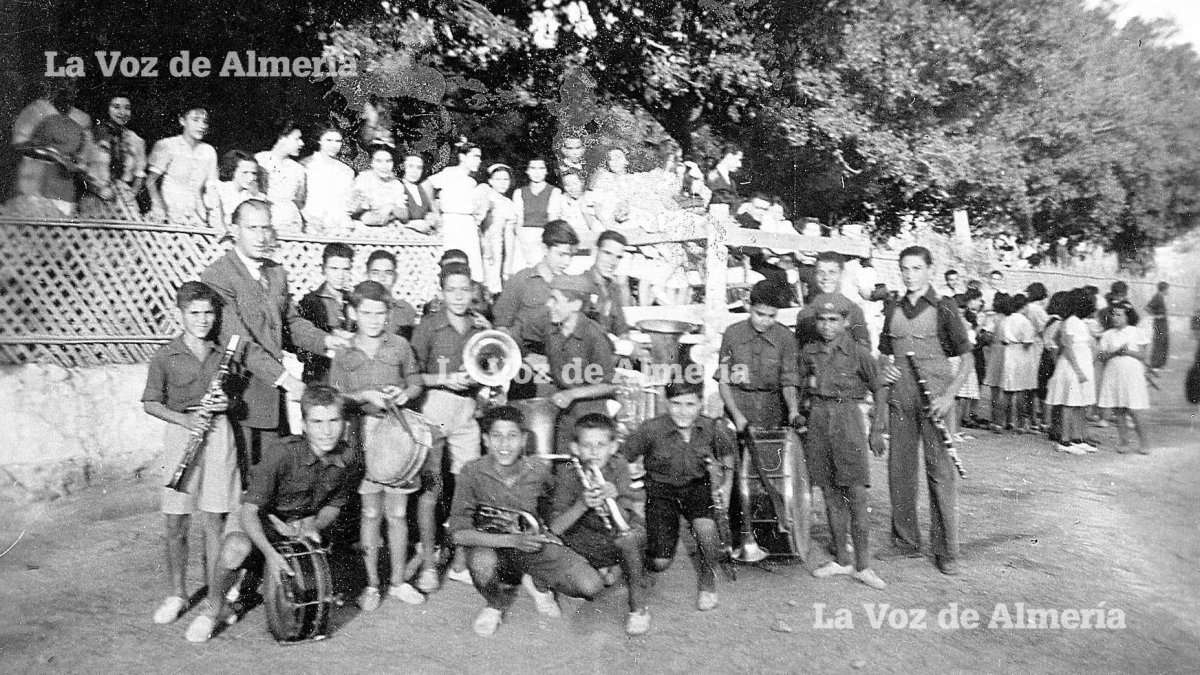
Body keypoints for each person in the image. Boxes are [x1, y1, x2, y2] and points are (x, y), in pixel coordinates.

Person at [182, 385, 364, 643]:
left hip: (297, 524)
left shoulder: (348, 457)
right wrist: (270, 553)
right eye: (317, 422)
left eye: (334, 421)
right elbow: (249, 511)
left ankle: (249, 594)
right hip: (261, 518)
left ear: (344, 423)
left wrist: (315, 524)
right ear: (304, 424)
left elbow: (334, 505)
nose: (326, 430)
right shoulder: (282, 453)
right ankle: (213, 609)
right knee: (236, 548)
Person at [201, 200, 349, 464]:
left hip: (273, 399)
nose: (261, 236)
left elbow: (291, 324)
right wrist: (287, 380)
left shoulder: (276, 272)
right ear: (235, 230)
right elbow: (238, 342)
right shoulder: (218, 275)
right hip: (240, 397)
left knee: (273, 483)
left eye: (266, 228)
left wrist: (327, 341)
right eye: (252, 228)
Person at [450, 405, 605, 636]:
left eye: (512, 436)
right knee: (482, 562)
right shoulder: (471, 472)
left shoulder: (540, 471)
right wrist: (512, 541)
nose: (504, 445)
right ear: (486, 440)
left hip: (531, 545)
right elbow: (458, 533)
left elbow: (553, 523)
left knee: (591, 585)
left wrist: (583, 503)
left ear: (523, 440)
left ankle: (538, 584)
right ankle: (495, 604)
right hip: (492, 547)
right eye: (497, 436)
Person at [141, 282, 240, 627]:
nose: (202, 320)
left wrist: (227, 404)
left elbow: (237, 399)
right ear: (179, 315)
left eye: (208, 313)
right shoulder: (165, 355)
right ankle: (178, 594)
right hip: (181, 433)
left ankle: (214, 599)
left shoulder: (223, 353)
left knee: (215, 520)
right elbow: (151, 403)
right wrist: (185, 418)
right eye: (194, 313)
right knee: (176, 520)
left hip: (218, 432)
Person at [329, 281, 430, 608]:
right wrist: (362, 396)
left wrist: (407, 393)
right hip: (363, 436)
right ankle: (372, 584)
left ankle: (398, 581)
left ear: (389, 313)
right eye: (366, 313)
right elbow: (333, 398)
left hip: (398, 435)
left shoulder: (399, 345)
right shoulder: (344, 352)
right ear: (353, 312)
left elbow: (415, 380)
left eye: (380, 313)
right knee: (371, 513)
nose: (373, 319)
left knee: (398, 514)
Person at [878, 246, 973, 575]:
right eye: (905, 268)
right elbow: (883, 354)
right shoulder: (893, 307)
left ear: (930, 270)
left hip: (936, 399)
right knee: (900, 471)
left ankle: (946, 550)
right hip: (902, 398)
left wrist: (949, 397)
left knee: (941, 474)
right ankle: (905, 541)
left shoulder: (945, 307)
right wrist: (885, 371)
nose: (909, 274)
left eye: (917, 268)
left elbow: (968, 360)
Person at [798, 293, 888, 589]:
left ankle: (863, 566)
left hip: (848, 419)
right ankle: (842, 559)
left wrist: (876, 430)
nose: (826, 326)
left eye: (833, 320)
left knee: (856, 497)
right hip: (819, 420)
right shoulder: (809, 352)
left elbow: (880, 389)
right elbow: (799, 388)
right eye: (821, 320)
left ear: (846, 322)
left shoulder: (860, 353)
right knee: (831, 495)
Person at [622, 380, 736, 611]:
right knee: (660, 562)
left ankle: (707, 583)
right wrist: (626, 494)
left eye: (690, 404)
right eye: (676, 404)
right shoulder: (651, 429)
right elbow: (621, 458)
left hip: (696, 488)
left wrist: (726, 484)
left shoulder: (711, 427)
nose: (683, 411)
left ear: (700, 404)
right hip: (661, 493)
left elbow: (727, 456)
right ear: (666, 403)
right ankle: (644, 562)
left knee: (706, 529)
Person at [411, 262, 490, 585]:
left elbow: (493, 368)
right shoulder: (429, 326)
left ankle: (459, 561)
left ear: (473, 292)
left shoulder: (480, 327)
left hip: (467, 410)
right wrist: (445, 378)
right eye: (452, 290)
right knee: (432, 489)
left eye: (465, 289)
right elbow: (412, 375)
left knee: (466, 490)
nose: (459, 296)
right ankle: (429, 564)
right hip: (434, 407)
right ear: (441, 293)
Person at [549, 413, 650, 635]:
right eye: (586, 445)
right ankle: (606, 569)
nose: (594, 452)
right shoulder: (568, 472)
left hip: (615, 535)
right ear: (575, 448)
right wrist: (581, 505)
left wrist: (614, 497)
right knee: (588, 587)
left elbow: (625, 520)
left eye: (601, 445)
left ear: (613, 447)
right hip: (584, 541)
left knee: (631, 538)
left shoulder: (619, 465)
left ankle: (638, 607)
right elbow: (555, 529)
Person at [545, 274, 618, 449]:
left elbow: (609, 384)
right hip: (565, 416)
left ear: (576, 305)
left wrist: (571, 394)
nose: (548, 304)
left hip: (593, 419)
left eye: (555, 299)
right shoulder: (551, 330)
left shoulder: (595, 336)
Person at [718, 280, 801, 432]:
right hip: (737, 410)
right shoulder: (732, 334)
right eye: (760, 314)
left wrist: (793, 411)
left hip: (772, 413)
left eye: (771, 316)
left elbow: (789, 381)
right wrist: (737, 416)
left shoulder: (786, 338)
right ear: (748, 306)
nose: (765, 321)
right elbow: (724, 382)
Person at [494, 219, 580, 355]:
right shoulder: (521, 280)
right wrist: (524, 357)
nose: (566, 262)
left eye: (570, 256)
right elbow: (501, 327)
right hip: (523, 356)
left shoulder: (572, 287)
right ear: (545, 249)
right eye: (561, 255)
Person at [1046, 289, 1099, 454]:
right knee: (1069, 403)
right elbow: (1067, 347)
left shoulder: (1079, 322)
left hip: (1082, 365)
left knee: (1079, 403)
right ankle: (1065, 440)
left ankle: (1077, 438)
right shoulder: (1071, 321)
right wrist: (1078, 370)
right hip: (1073, 368)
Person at [424, 139, 484, 283]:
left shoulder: (472, 182)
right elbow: (426, 185)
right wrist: (436, 212)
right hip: (452, 223)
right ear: (462, 157)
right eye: (475, 156)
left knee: (472, 264)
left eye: (480, 157)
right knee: (453, 261)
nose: (479, 161)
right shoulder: (450, 172)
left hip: (468, 225)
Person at [147, 106, 218, 226]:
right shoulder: (168, 145)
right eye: (195, 120)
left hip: (197, 214)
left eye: (205, 122)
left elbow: (212, 187)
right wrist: (157, 204)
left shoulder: (209, 151)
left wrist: (214, 215)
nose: (202, 126)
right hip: (169, 211)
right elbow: (150, 180)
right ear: (182, 121)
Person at [81, 93, 146, 220]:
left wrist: (131, 194)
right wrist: (97, 190)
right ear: (107, 108)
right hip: (95, 198)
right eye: (116, 107)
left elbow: (140, 174)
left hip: (124, 201)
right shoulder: (90, 135)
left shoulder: (136, 140)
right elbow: (79, 171)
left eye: (127, 107)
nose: (122, 112)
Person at [1097, 301, 1151, 454]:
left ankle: (1144, 443)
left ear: (1128, 316)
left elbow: (1142, 355)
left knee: (1135, 410)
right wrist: (1115, 352)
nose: (1115, 318)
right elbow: (1101, 356)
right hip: (1114, 373)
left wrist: (1126, 352)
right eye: (1113, 314)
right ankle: (1124, 442)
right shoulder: (1107, 335)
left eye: (1119, 315)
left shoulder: (1136, 332)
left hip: (1132, 374)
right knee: (1119, 410)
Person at [298, 243, 356, 384]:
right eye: (334, 268)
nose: (340, 275)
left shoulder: (354, 300)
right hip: (321, 376)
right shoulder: (310, 302)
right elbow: (302, 348)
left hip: (351, 376)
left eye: (346, 269)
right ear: (324, 269)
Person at [795, 252, 871, 350]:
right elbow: (799, 351)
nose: (826, 278)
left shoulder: (853, 310)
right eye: (821, 272)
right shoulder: (806, 313)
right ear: (815, 274)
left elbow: (864, 349)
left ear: (842, 274)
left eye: (832, 272)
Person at [475, 163, 521, 293]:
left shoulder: (509, 204)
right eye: (498, 179)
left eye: (506, 179)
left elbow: (509, 236)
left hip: (496, 248)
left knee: (493, 282)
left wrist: (507, 265)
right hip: (478, 244)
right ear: (490, 181)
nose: (502, 183)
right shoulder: (483, 194)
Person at [255, 119, 307, 232]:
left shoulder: (298, 169)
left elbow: (300, 200)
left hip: (292, 224)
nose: (301, 143)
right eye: (297, 139)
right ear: (282, 138)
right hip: (266, 221)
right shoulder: (260, 160)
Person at [301, 126, 355, 234]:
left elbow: (349, 199)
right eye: (329, 140)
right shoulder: (306, 165)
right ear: (319, 140)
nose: (333, 145)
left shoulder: (346, 170)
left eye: (338, 141)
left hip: (340, 224)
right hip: (313, 222)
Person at [512, 158, 564, 265]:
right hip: (522, 238)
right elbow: (518, 222)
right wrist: (524, 246)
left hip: (543, 237)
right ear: (527, 171)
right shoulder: (519, 192)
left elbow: (552, 222)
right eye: (533, 168)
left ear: (546, 171)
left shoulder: (554, 192)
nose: (537, 172)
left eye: (541, 168)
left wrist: (541, 243)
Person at [999, 294, 1038, 433]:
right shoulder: (1025, 322)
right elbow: (1028, 342)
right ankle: (1021, 423)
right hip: (1021, 353)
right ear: (1024, 306)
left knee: (1008, 389)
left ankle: (1004, 420)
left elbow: (1003, 340)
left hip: (1009, 352)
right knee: (1021, 389)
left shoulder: (1006, 320)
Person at [584, 230, 631, 339]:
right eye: (607, 253)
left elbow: (621, 327)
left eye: (618, 257)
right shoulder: (582, 285)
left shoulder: (612, 287)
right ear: (595, 252)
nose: (613, 262)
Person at [365, 250, 419, 341]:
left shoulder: (405, 310)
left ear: (395, 277)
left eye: (388, 273)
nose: (382, 278)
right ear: (367, 275)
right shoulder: (358, 308)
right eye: (375, 272)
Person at [352, 144, 410, 228]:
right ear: (372, 163)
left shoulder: (396, 184)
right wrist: (364, 206)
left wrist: (391, 208)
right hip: (363, 229)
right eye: (379, 161)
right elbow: (353, 211)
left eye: (388, 161)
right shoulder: (363, 179)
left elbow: (404, 216)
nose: (384, 166)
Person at [212, 150, 264, 236]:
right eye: (245, 172)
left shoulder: (253, 196)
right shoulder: (220, 189)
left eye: (253, 173)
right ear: (233, 171)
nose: (251, 178)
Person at [398, 152, 435, 231]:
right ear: (403, 167)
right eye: (410, 166)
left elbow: (426, 212)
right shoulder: (397, 186)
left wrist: (430, 217)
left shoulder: (422, 188)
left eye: (419, 167)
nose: (414, 171)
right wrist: (411, 224)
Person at [706, 142, 744, 208]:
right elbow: (720, 200)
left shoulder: (730, 180)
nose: (740, 164)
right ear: (729, 156)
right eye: (738, 160)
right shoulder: (713, 176)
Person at [1147, 281, 1170, 370]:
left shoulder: (1160, 297)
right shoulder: (1157, 297)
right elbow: (1147, 308)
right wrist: (1156, 316)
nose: (1168, 291)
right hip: (1159, 324)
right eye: (1167, 289)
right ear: (1164, 289)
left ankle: (1160, 364)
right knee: (1159, 343)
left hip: (1163, 324)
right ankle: (1154, 364)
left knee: (1164, 343)